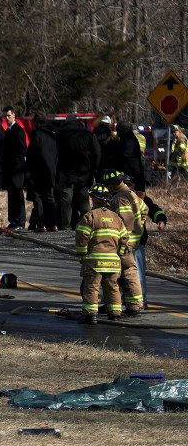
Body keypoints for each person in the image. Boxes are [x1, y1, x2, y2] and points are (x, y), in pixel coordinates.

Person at [75, 184, 129, 325]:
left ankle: (90, 316)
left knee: (92, 288)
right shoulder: (116, 218)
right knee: (113, 288)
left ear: (93, 199)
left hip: (95, 262)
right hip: (113, 262)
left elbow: (82, 237)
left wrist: (82, 256)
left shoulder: (90, 216)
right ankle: (115, 314)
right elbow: (124, 238)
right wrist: (120, 253)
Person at [101, 170, 145, 316]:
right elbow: (145, 209)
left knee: (124, 273)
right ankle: (122, 304)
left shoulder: (120, 198)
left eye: (108, 185)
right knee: (124, 273)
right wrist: (139, 227)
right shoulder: (131, 194)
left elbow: (125, 221)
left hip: (124, 243)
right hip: (131, 241)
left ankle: (131, 307)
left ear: (112, 184)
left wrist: (123, 241)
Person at [56, 114, 100, 229]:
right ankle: (87, 226)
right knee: (84, 200)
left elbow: (54, 153)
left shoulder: (60, 133)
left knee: (66, 201)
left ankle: (66, 226)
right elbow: (97, 153)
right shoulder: (87, 133)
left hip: (66, 171)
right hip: (83, 172)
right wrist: (93, 169)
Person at [26, 114, 59, 232]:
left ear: (35, 122)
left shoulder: (36, 133)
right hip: (51, 170)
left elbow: (32, 152)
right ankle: (53, 223)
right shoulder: (52, 134)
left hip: (38, 170)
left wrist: (28, 169)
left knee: (38, 197)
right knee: (50, 197)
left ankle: (41, 224)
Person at [1, 106, 27, 230]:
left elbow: (22, 150)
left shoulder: (18, 130)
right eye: (5, 116)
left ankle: (20, 222)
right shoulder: (8, 131)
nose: (7, 118)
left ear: (14, 115)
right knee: (12, 196)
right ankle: (13, 220)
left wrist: (17, 164)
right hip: (9, 170)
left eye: (9, 116)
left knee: (18, 195)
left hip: (16, 170)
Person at [115, 121, 146, 191]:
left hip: (133, 173)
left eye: (118, 131)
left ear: (122, 130)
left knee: (136, 194)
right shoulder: (128, 138)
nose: (117, 133)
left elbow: (126, 155)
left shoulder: (128, 140)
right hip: (133, 172)